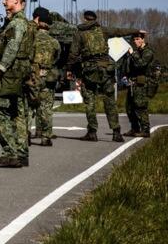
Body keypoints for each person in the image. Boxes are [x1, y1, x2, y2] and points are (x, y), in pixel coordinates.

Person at [0, 0, 35, 168]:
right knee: (18, 113)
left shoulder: (17, 24)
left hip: (11, 74)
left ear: (16, 0)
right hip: (21, 73)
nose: (3, 2)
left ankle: (10, 153)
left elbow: (12, 48)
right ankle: (21, 153)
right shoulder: (26, 24)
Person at [67, 11, 123, 142]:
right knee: (109, 101)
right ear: (95, 19)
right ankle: (116, 132)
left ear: (85, 19)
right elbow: (120, 31)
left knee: (90, 102)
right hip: (106, 70)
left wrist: (69, 69)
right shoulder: (103, 31)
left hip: (89, 72)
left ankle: (92, 132)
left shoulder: (79, 33)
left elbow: (73, 54)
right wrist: (136, 30)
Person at [29, 8, 61, 147]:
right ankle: (46, 137)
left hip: (32, 76)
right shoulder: (54, 42)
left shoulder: (31, 39)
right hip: (48, 77)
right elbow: (56, 58)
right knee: (46, 108)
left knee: (29, 107)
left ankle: (25, 135)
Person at [124, 30, 154, 138]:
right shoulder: (136, 52)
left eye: (137, 39)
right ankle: (135, 128)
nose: (135, 41)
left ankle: (145, 130)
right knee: (129, 108)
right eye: (134, 39)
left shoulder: (148, 52)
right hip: (133, 83)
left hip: (142, 84)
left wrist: (133, 54)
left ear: (142, 40)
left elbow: (141, 64)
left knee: (140, 107)